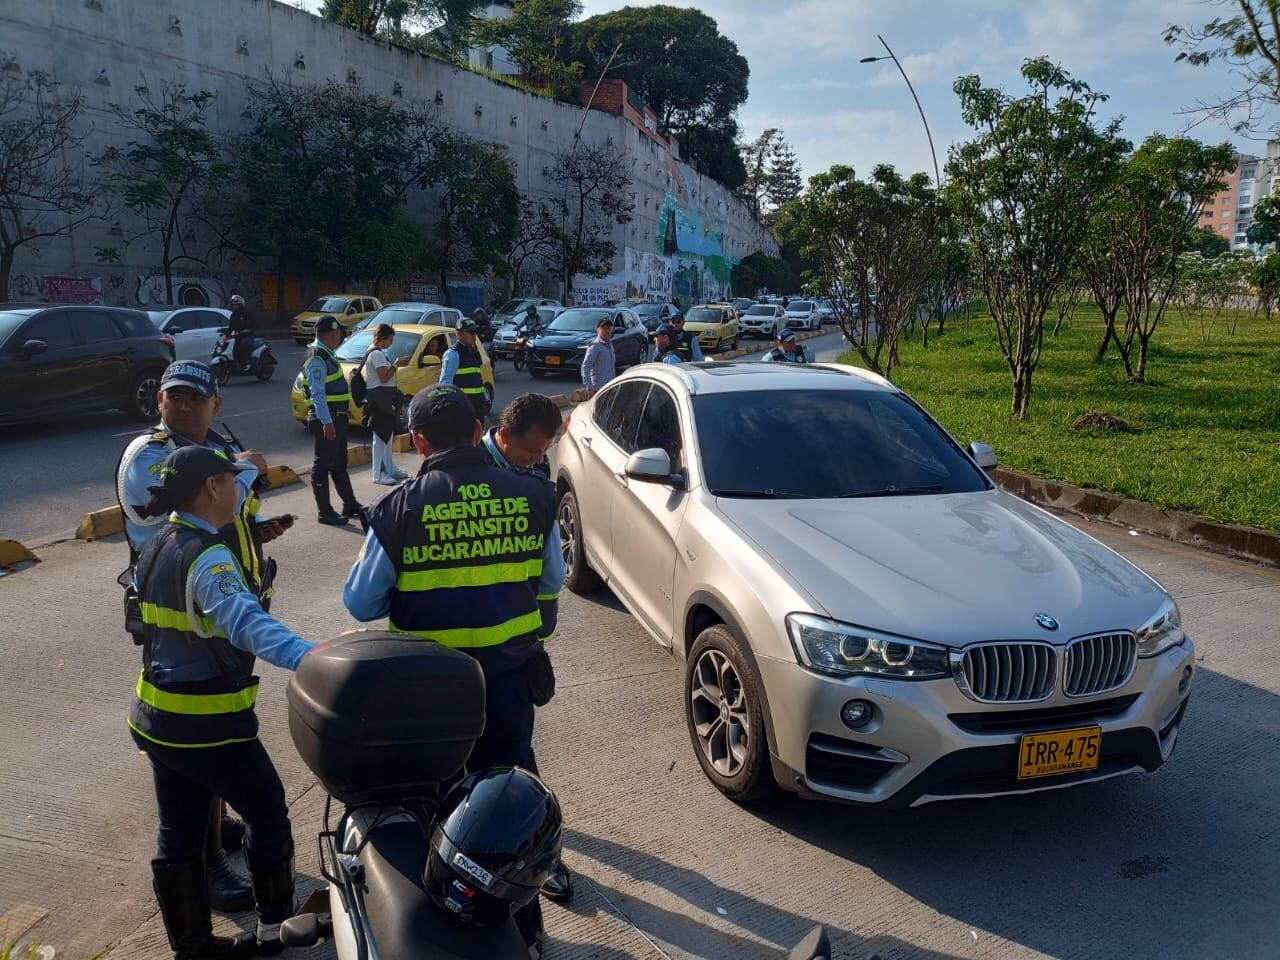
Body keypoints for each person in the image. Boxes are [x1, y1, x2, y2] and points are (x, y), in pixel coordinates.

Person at [343, 384, 564, 959]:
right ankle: (527, 932)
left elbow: (361, 604)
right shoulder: (534, 495)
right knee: (508, 809)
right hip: (510, 684)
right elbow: (551, 583)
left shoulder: (399, 508)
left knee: (437, 808)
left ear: (417, 441)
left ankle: (441, 929)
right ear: (478, 430)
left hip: (430, 697)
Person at [129, 445, 317, 959]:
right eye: (232, 482)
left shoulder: (159, 540)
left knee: (179, 833)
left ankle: (192, 948)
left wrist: (249, 468)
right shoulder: (208, 556)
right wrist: (315, 658)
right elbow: (247, 623)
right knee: (268, 814)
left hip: (156, 717)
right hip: (209, 724)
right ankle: (275, 929)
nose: (240, 491)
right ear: (212, 487)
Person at [116, 359, 290, 913]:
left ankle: (213, 824)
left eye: (195, 397)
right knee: (199, 730)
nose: (184, 406)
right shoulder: (147, 453)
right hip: (180, 608)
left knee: (207, 738)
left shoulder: (220, 446)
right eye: (174, 397)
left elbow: (235, 507)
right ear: (160, 401)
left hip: (220, 600)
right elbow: (169, 500)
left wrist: (256, 522)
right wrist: (243, 468)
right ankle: (209, 861)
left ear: (215, 402)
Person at [478, 394, 573, 905]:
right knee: (499, 757)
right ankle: (522, 851)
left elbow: (551, 570)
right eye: (533, 451)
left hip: (513, 643)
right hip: (469, 644)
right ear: (503, 435)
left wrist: (539, 633)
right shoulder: (474, 475)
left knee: (514, 751)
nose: (539, 460)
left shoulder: (534, 475)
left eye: (545, 451)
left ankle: (538, 851)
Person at [301, 316, 363, 526]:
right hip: (329, 420)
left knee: (339, 464)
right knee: (322, 465)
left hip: (337, 418)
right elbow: (317, 393)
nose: (341, 337)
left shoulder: (327, 354)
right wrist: (326, 422)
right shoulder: (317, 358)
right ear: (333, 333)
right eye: (339, 333)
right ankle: (325, 512)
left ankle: (350, 503)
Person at [363, 323, 411, 486]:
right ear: (382, 338)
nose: (391, 343)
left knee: (387, 436)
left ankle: (390, 469)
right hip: (379, 399)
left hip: (383, 398)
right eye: (390, 340)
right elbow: (383, 377)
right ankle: (378, 474)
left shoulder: (377, 353)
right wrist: (397, 364)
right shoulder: (376, 354)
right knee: (380, 437)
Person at [438, 317, 490, 424]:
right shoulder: (452, 355)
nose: (474, 335)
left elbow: (477, 379)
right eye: (471, 332)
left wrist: (485, 400)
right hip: (463, 409)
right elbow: (445, 385)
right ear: (459, 334)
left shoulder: (474, 352)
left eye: (475, 332)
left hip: (478, 408)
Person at [580, 316, 616, 398]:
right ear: (598, 329)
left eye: (609, 328)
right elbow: (586, 367)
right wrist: (590, 388)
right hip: (598, 390)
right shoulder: (595, 345)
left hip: (609, 389)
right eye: (604, 328)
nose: (607, 331)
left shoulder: (610, 344)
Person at [226, 295, 253, 369]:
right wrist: (226, 334)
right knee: (234, 350)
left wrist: (248, 330)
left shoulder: (246, 314)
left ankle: (248, 363)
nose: (235, 306)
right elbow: (231, 326)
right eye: (233, 305)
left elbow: (254, 325)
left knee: (244, 345)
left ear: (240, 305)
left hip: (247, 336)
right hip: (238, 337)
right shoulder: (233, 315)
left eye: (236, 305)